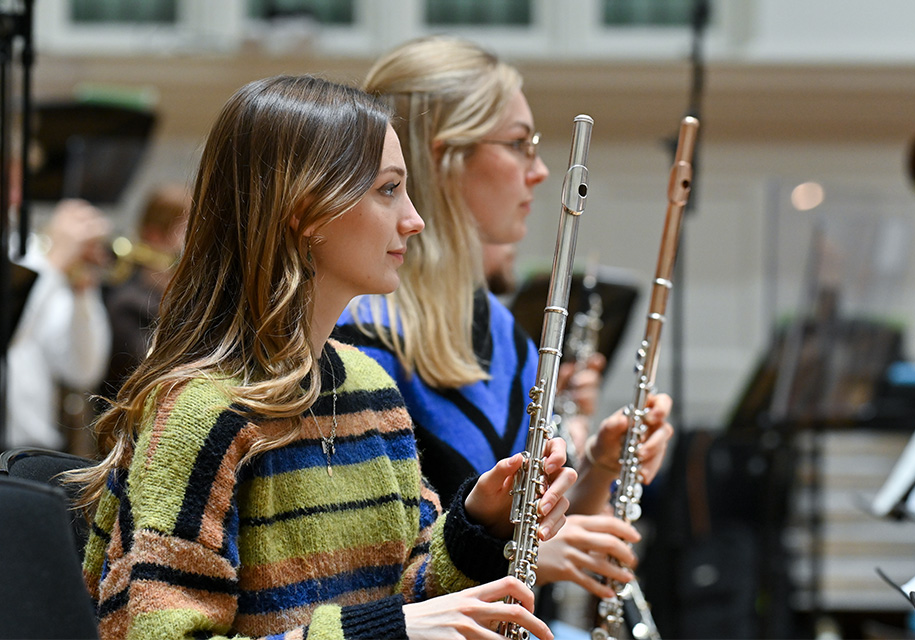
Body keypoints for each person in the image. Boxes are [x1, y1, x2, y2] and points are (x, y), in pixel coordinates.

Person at [68, 74, 576, 640]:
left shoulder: (367, 385)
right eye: (388, 190)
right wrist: (382, 633)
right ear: (307, 211)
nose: (414, 218)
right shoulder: (198, 414)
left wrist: (476, 525)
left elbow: (412, 595)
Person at [334, 35, 674, 606]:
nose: (540, 172)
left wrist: (596, 469)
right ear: (444, 160)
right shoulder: (359, 338)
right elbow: (363, 586)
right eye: (519, 145)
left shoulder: (498, 329)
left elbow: (539, 537)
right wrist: (529, 558)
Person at [5, 197, 111, 450]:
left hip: (33, 446)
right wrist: (56, 261)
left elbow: (82, 371)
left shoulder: (33, 250)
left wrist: (82, 292)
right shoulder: (41, 261)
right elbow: (9, 334)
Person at [99, 183, 190, 404]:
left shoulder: (183, 296)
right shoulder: (126, 304)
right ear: (154, 235)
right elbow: (150, 371)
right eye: (187, 231)